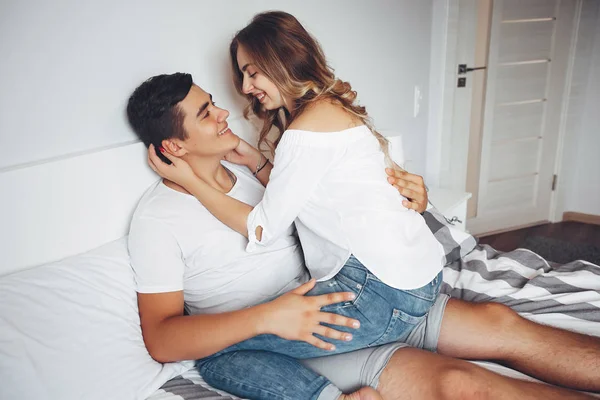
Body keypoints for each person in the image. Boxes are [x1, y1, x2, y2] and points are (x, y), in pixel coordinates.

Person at [130, 74, 598, 399]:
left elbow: (332, 197)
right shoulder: (158, 222)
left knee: (501, 323)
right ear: (173, 146)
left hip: (352, 293)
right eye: (206, 112)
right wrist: (267, 318)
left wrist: (407, 190)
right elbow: (163, 340)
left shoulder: (251, 174)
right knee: (460, 385)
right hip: (296, 329)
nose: (223, 113)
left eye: (214, 102)